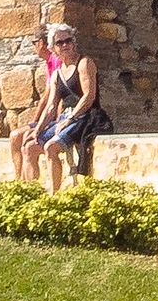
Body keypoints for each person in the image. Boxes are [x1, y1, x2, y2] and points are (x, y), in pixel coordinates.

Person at [33, 24, 103, 193]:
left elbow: (89, 96)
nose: (65, 45)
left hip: (85, 116)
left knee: (51, 147)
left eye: (68, 40)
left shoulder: (84, 63)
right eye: (60, 42)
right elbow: (51, 105)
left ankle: (54, 194)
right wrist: (38, 128)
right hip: (66, 117)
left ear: (74, 42)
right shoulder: (57, 73)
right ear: (53, 48)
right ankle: (31, 191)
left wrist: (70, 119)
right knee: (30, 147)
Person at [6, 24, 57, 183]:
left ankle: (26, 183)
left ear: (41, 43)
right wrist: (35, 122)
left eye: (34, 43)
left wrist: (36, 124)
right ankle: (19, 180)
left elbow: (49, 96)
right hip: (48, 117)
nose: (34, 47)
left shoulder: (55, 61)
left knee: (23, 140)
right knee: (16, 137)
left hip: (54, 118)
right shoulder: (50, 62)